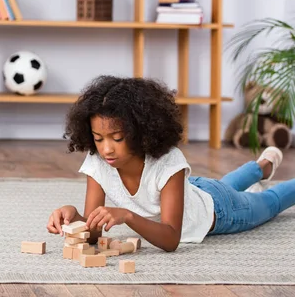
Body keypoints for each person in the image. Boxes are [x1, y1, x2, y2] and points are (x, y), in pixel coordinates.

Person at [47, 75, 294, 251]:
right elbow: (93, 231)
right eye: (98, 138)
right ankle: (261, 166)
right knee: (225, 185)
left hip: (220, 210)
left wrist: (127, 216)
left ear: (140, 130)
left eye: (118, 138)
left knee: (269, 203)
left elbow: (171, 239)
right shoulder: (98, 160)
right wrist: (74, 217)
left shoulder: (167, 162)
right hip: (192, 191)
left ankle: (262, 167)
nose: (106, 148)